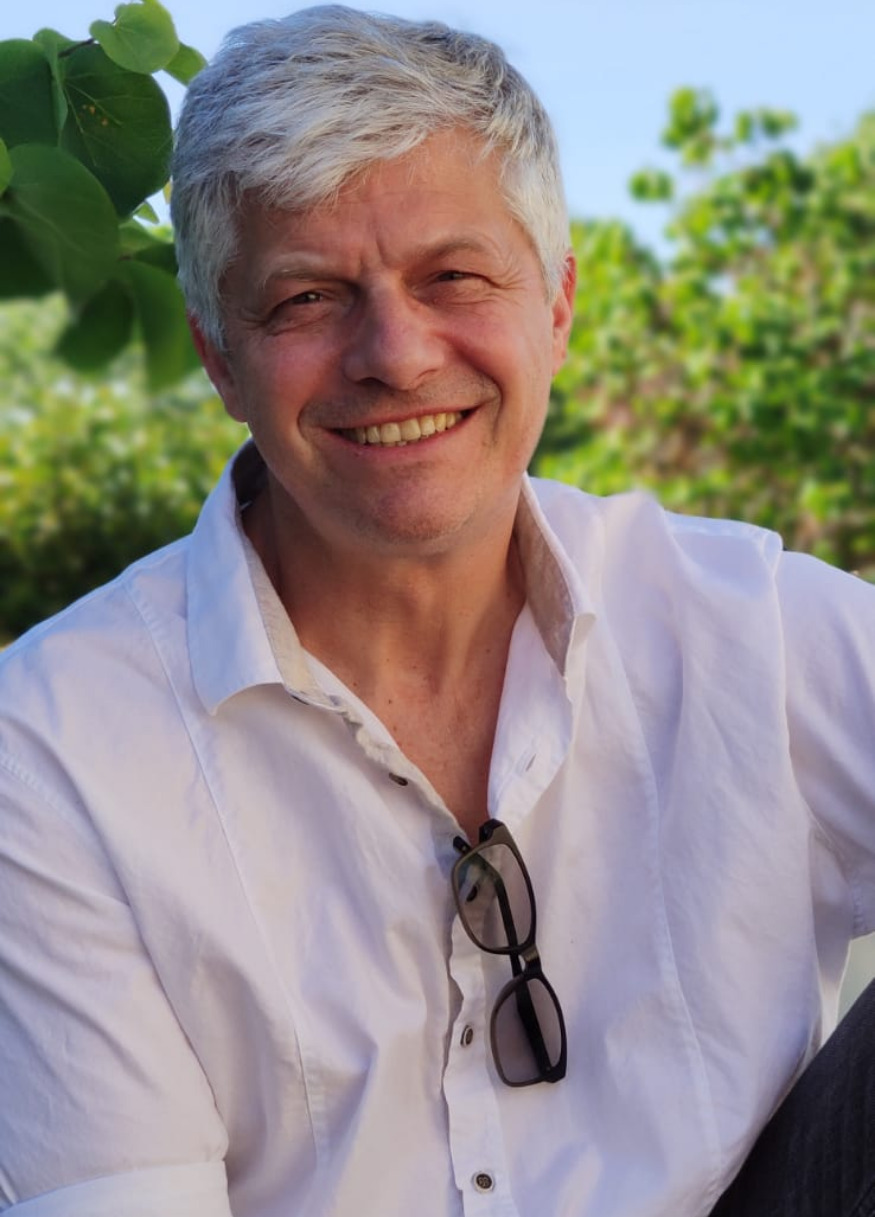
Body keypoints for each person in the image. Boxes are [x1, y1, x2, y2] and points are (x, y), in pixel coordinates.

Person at [0, 6, 874, 1215]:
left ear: (556, 303)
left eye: (453, 276)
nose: (396, 355)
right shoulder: (48, 750)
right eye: (305, 298)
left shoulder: (756, 629)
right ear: (217, 356)